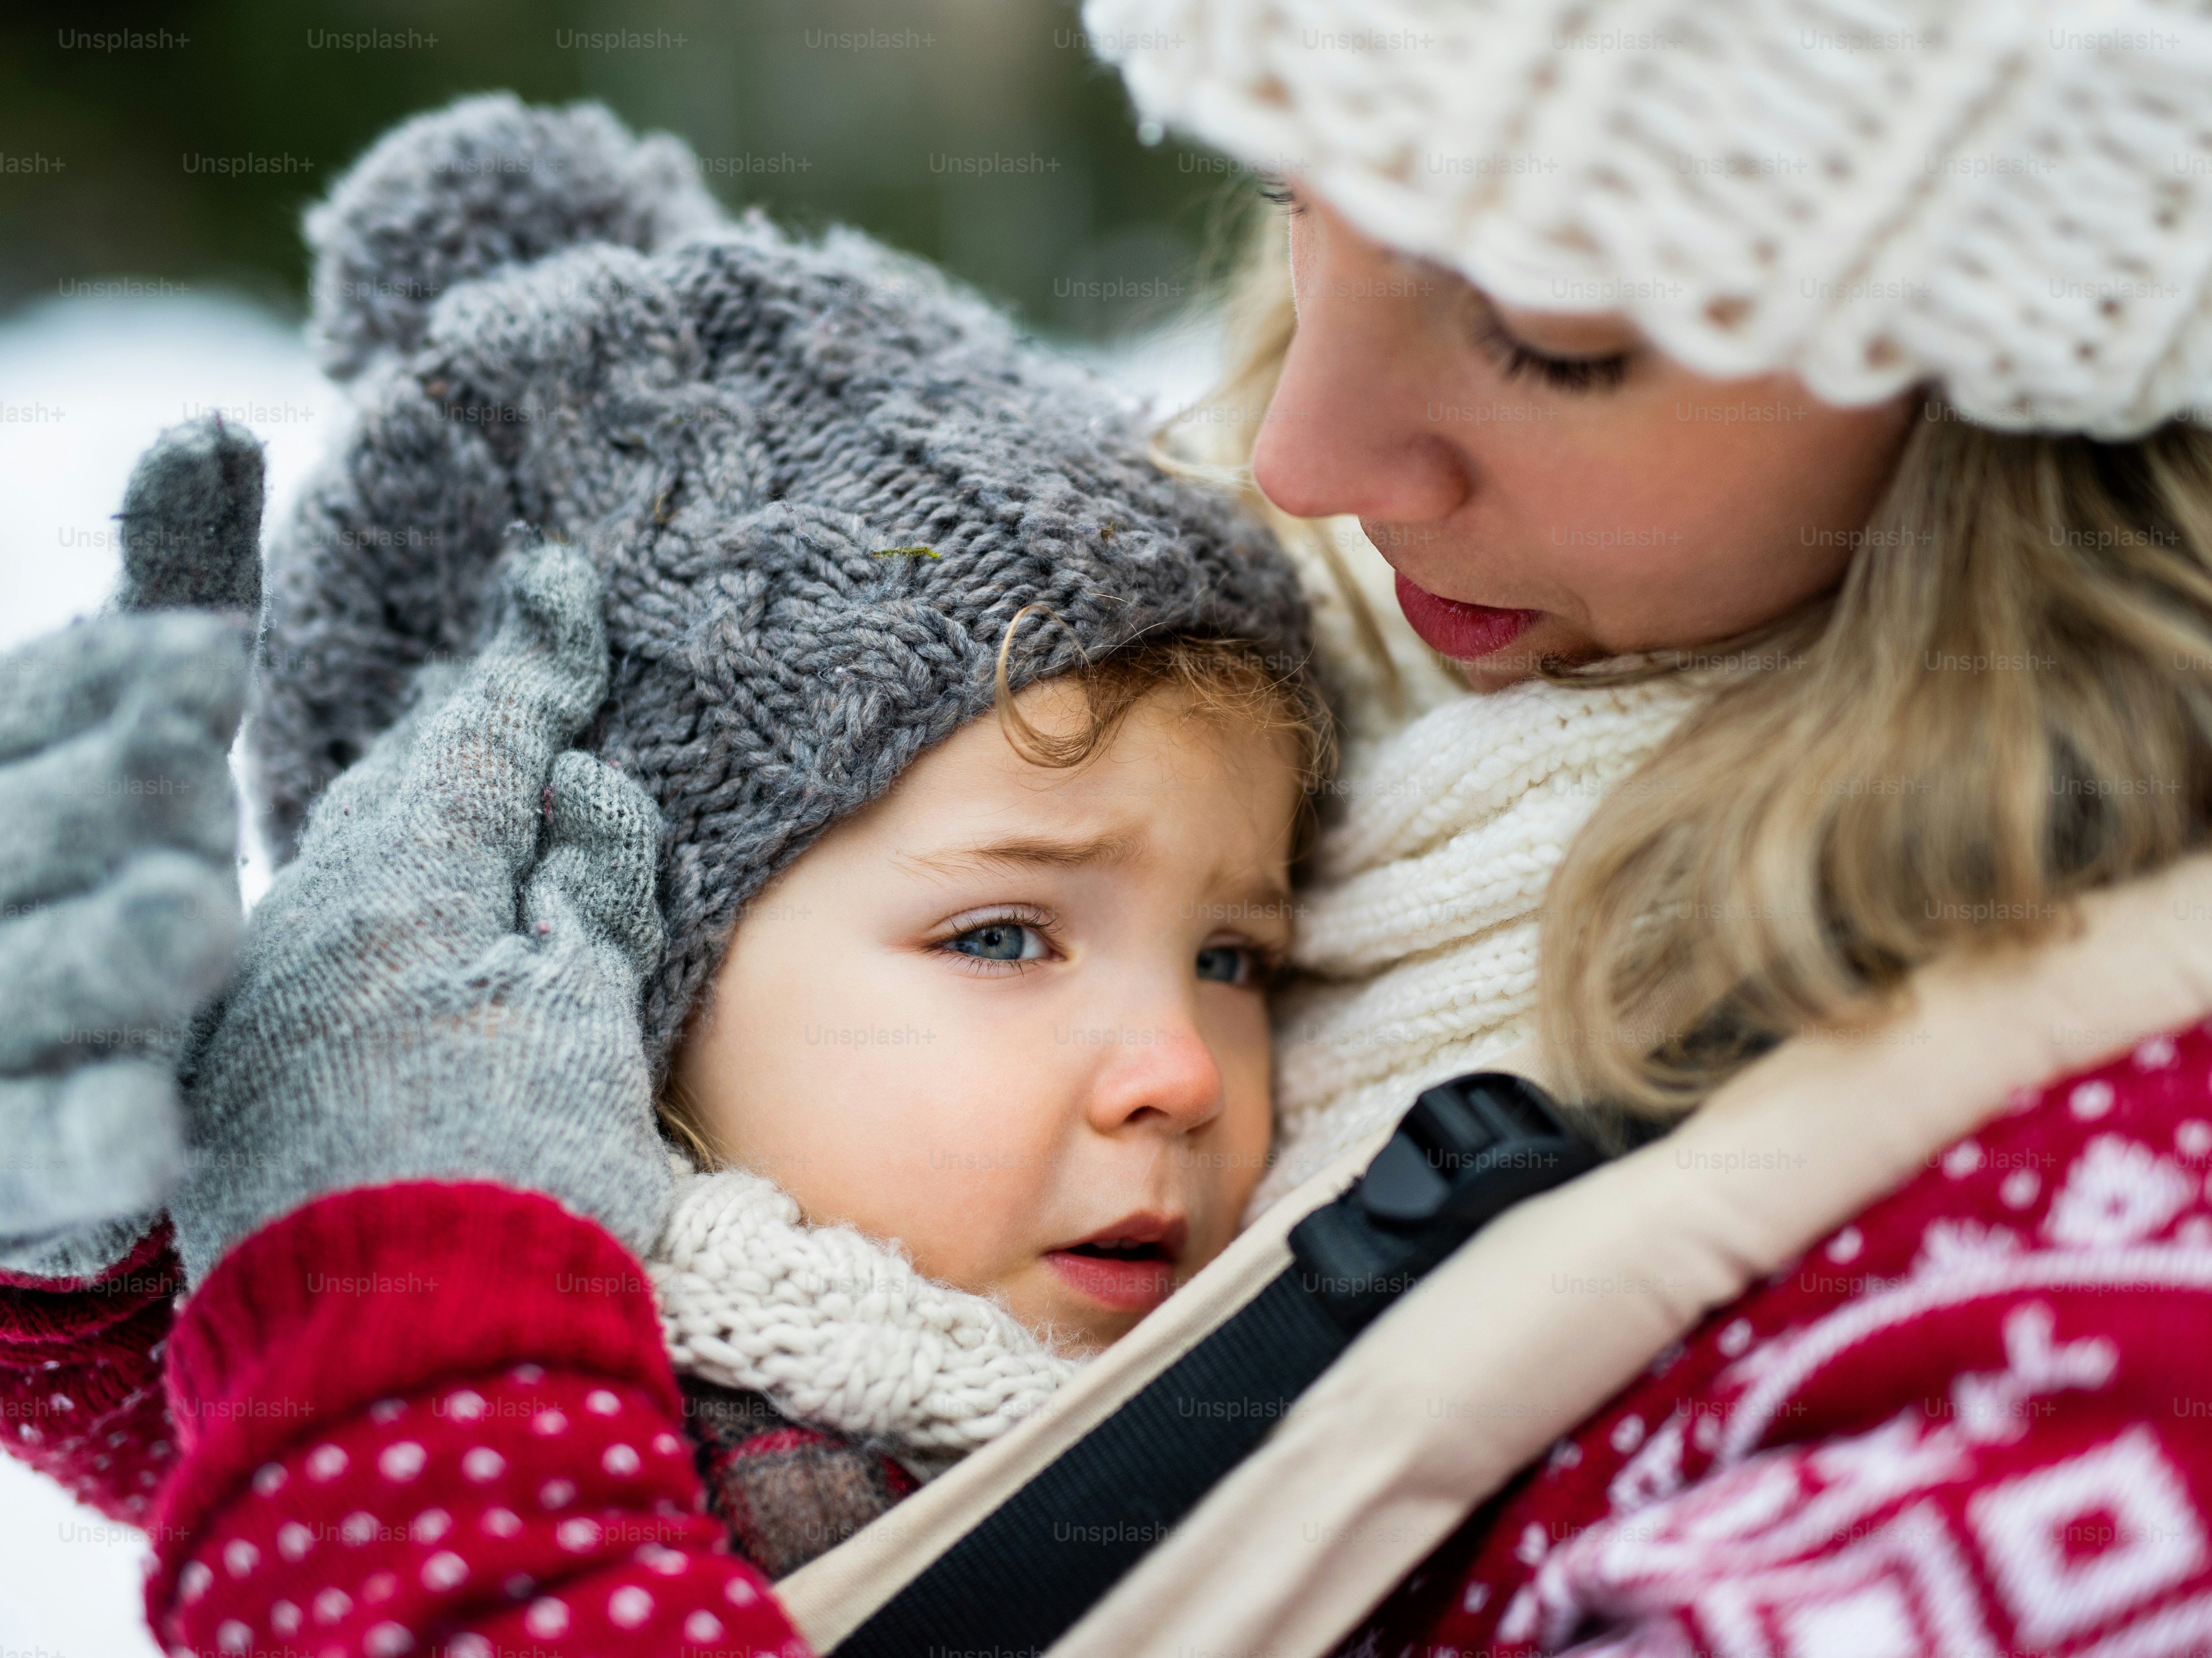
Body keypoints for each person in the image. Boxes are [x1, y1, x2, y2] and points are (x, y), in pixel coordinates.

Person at [0, 95, 1325, 1650]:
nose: (1181, 1071)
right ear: (617, 993)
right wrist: (75, 1278)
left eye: (1233, 958)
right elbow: (228, 1426)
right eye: (1004, 936)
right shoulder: (600, 1390)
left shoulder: (1280, 1418)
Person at [1065, 0, 2212, 1653]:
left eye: (1545, 333)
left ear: (2003, 377)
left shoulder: (2097, 1328)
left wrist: (548, 1399)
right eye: (1289, 194)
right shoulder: (1193, 617)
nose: (1302, 456)